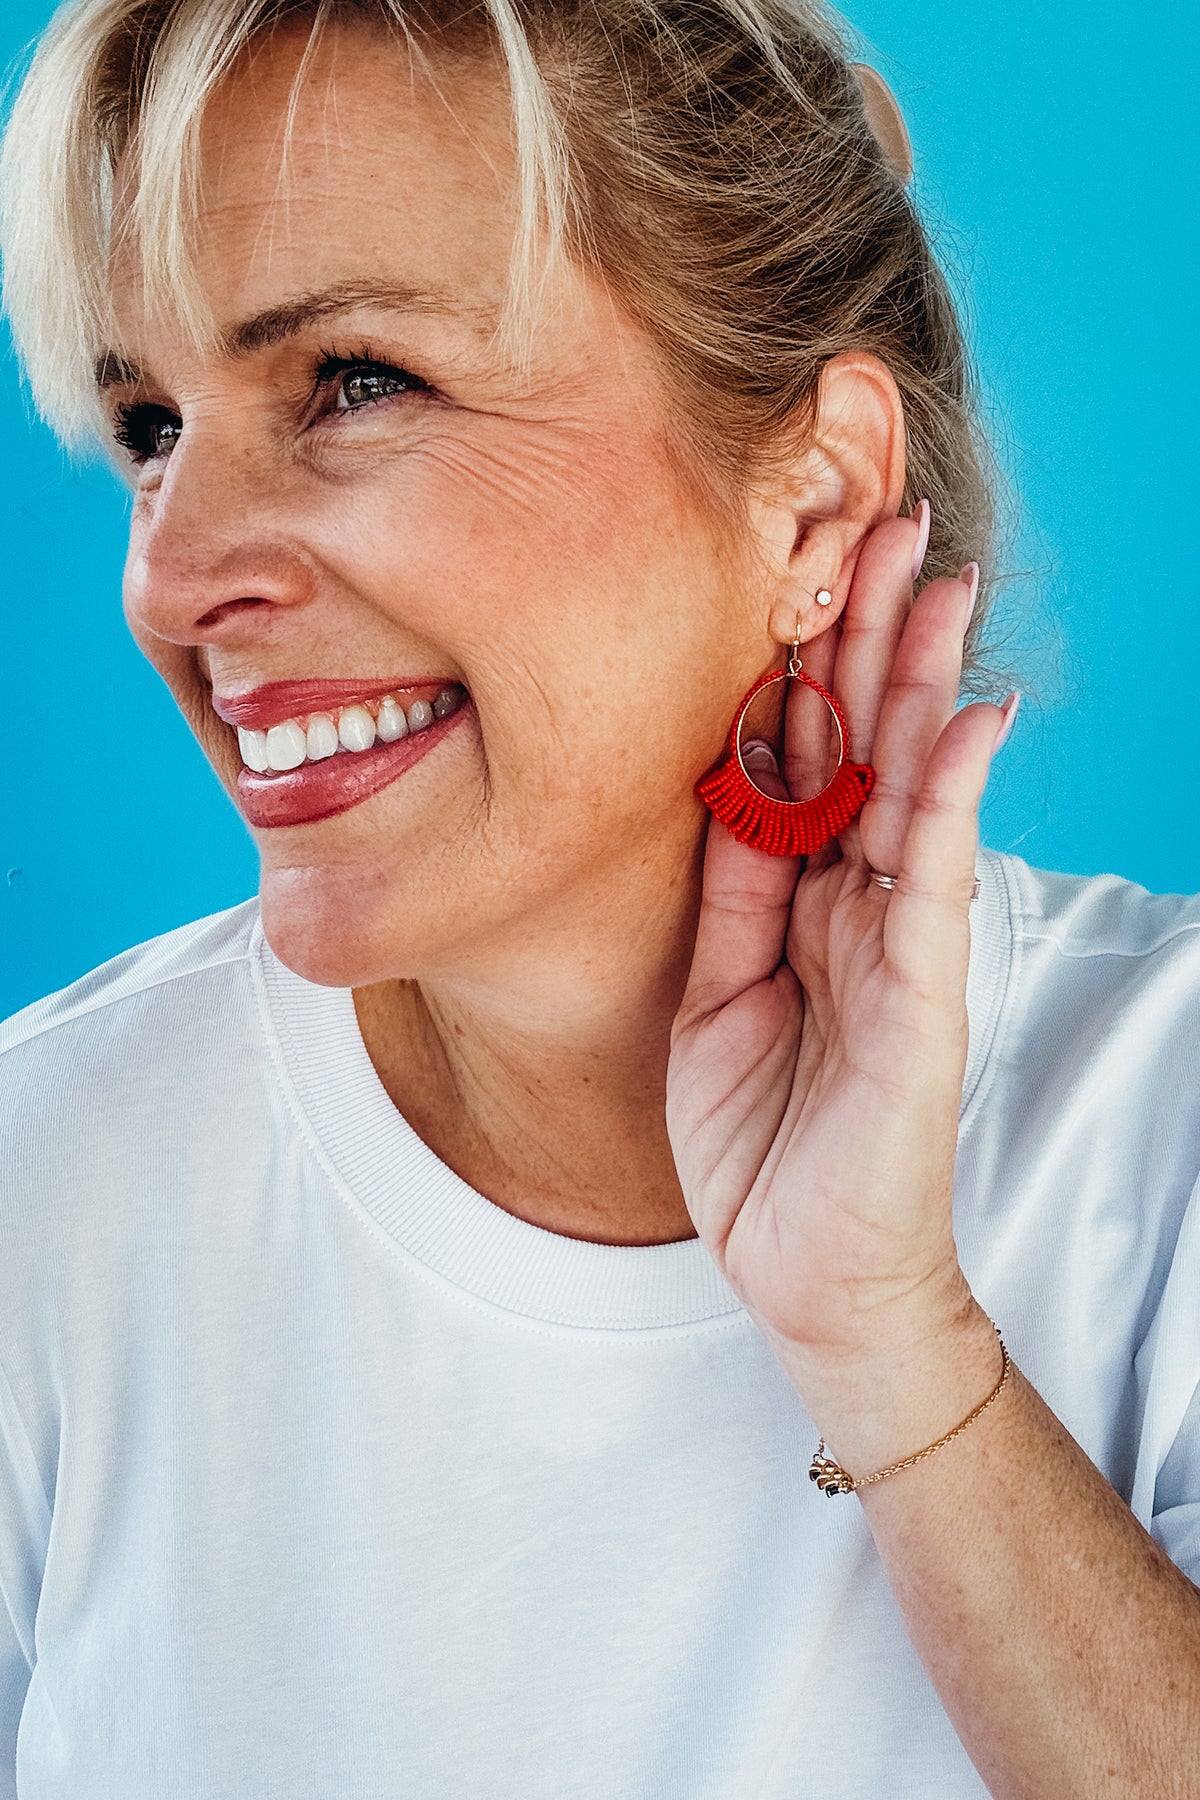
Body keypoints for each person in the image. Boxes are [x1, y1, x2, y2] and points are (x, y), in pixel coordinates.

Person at [0, 1, 1197, 1794]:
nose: (169, 578)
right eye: (151, 423)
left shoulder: (1165, 1120)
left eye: (355, 382)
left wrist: (894, 1344)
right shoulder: (45, 1187)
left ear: (815, 506)